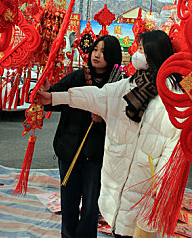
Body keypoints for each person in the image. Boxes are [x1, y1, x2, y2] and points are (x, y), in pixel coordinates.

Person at [38, 30, 181, 238]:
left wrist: (163, 188)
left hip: (144, 183)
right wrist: (53, 98)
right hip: (114, 175)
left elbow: (172, 145)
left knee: (113, 217)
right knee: (106, 218)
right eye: (95, 49)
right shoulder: (128, 85)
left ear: (153, 53)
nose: (136, 53)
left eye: (140, 49)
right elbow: (96, 96)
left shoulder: (171, 96)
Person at [45, 35, 122, 238]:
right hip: (69, 150)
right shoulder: (78, 77)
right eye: (95, 49)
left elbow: (124, 120)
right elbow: (51, 100)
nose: (97, 55)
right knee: (69, 201)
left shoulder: (118, 85)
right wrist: (44, 90)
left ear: (113, 56)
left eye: (103, 51)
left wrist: (104, 116)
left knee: (91, 204)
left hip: (97, 156)